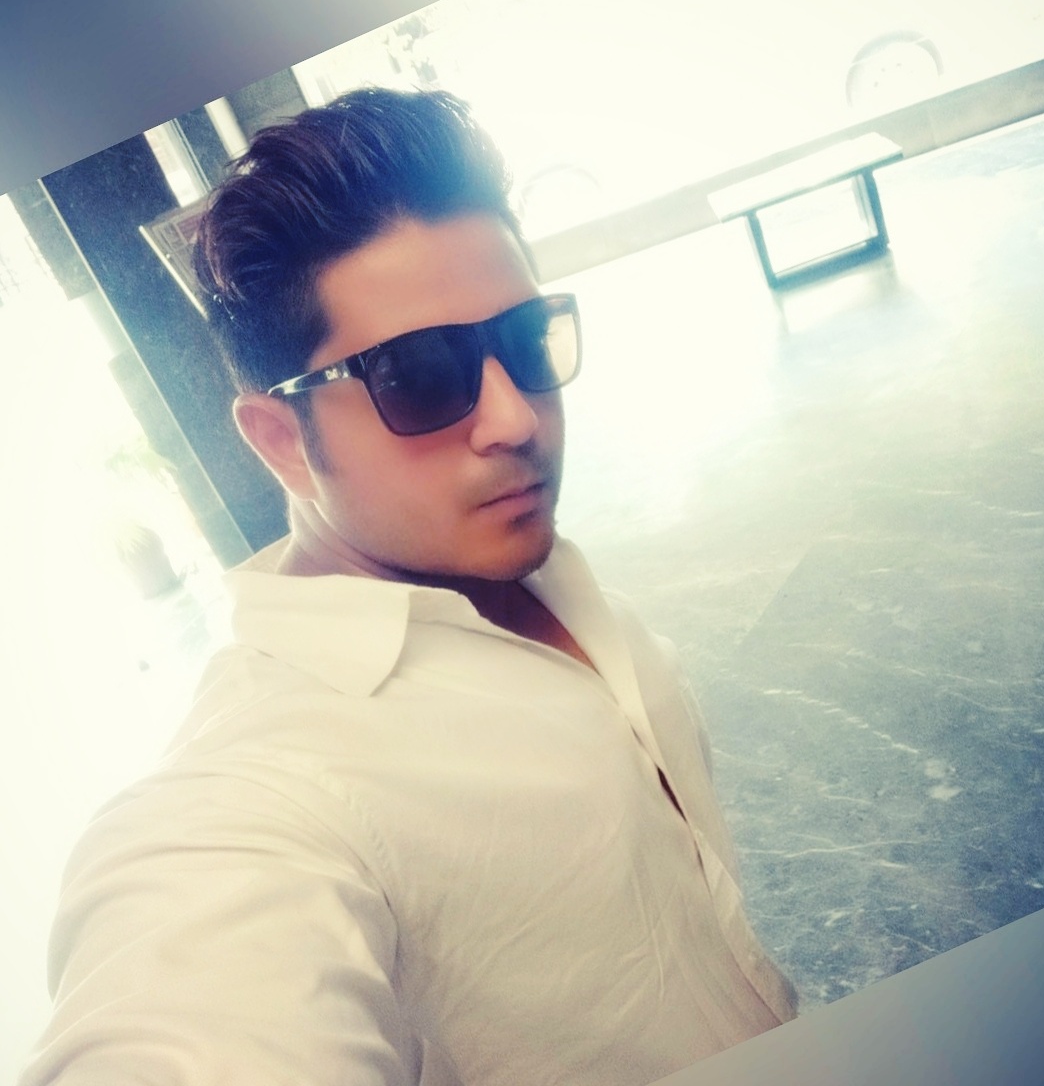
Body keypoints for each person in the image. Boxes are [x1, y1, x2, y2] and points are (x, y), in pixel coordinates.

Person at [19, 87, 796, 1086]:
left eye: (525, 340)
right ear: (281, 441)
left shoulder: (527, 567)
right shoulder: (253, 796)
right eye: (418, 375)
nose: (514, 418)